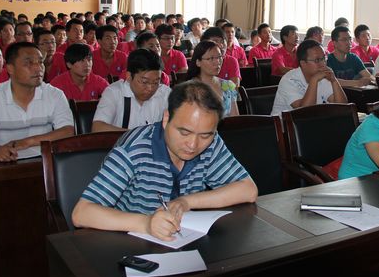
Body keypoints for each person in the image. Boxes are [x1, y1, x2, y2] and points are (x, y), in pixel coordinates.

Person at [71, 80, 258, 239]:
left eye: (205, 135)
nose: (193, 145)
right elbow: (82, 213)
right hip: (130, 241)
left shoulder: (212, 142)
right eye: (184, 132)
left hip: (183, 240)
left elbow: (248, 190)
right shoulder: (133, 149)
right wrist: (146, 224)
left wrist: (186, 202)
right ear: (166, 118)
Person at [0, 42, 75, 162]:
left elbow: (67, 131)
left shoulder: (54, 94)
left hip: (45, 162)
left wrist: (28, 142)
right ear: (10, 68)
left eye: (40, 62)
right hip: (5, 164)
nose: (38, 68)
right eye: (28, 63)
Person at [92, 49, 171, 132]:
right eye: (144, 82)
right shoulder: (114, 92)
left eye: (156, 82)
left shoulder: (165, 93)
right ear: (129, 76)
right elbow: (97, 128)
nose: (150, 88)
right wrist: (135, 135)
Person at [271, 40, 348, 115]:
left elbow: (342, 108)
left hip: (313, 121)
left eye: (324, 58)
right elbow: (304, 113)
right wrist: (314, 80)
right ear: (303, 63)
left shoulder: (323, 77)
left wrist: (334, 80)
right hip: (284, 123)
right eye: (317, 60)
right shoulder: (289, 80)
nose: (323, 64)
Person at [188, 40, 239, 117]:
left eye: (219, 57)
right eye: (211, 58)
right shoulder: (189, 89)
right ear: (198, 62)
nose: (217, 62)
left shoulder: (228, 86)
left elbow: (235, 118)